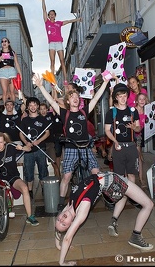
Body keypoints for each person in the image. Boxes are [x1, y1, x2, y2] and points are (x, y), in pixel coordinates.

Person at [33, 72, 112, 211]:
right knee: (66, 176)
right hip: (71, 148)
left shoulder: (84, 112)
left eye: (77, 96)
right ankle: (60, 203)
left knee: (97, 173)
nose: (75, 98)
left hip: (86, 148)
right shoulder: (65, 113)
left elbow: (96, 98)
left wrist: (105, 82)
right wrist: (40, 86)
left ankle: (108, 198)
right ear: (68, 101)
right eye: (72, 97)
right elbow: (51, 102)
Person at [55, 171, 154, 266]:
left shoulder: (68, 207)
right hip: (114, 181)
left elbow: (59, 229)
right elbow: (67, 238)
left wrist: (58, 245)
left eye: (59, 220)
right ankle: (135, 237)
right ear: (72, 222)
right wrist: (62, 262)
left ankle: (113, 221)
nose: (62, 220)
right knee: (148, 204)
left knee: (123, 195)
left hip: (107, 180)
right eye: (64, 224)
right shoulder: (83, 209)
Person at [40, 0, 82, 84]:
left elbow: (69, 21)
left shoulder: (58, 23)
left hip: (59, 43)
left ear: (55, 16)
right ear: (48, 16)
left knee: (62, 61)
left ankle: (65, 79)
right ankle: (52, 79)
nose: (51, 15)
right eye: (50, 14)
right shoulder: (47, 23)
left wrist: (78, 19)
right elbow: (44, 10)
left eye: (53, 14)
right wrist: (43, 0)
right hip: (51, 43)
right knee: (52, 61)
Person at [19, 96, 50, 198]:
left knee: (43, 170)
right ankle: (30, 191)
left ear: (37, 106)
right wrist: (25, 142)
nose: (32, 107)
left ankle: (44, 190)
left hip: (40, 149)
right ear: (27, 107)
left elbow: (47, 133)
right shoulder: (25, 120)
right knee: (28, 171)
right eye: (30, 105)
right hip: (28, 150)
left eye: (34, 105)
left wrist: (39, 141)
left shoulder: (42, 119)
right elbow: (21, 134)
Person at [0, 37, 22, 104]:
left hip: (12, 70)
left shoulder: (13, 52)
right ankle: (6, 108)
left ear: (8, 43)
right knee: (4, 91)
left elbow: (17, 64)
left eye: (5, 41)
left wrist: (20, 74)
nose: (4, 43)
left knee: (12, 91)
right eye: (2, 41)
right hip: (2, 72)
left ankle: (13, 107)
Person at [134, 93, 149, 187]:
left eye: (144, 99)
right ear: (137, 100)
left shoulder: (147, 111)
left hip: (140, 135)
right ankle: (138, 178)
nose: (142, 101)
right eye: (140, 99)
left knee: (139, 157)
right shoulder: (133, 110)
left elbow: (149, 122)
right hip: (132, 135)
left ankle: (140, 178)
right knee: (138, 156)